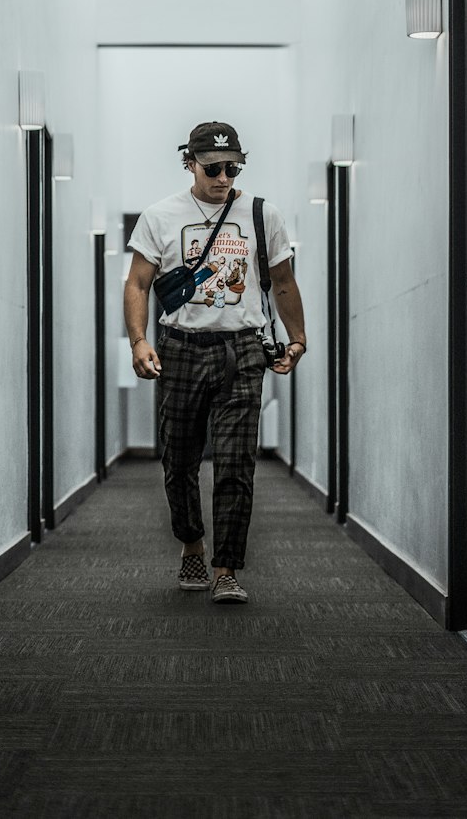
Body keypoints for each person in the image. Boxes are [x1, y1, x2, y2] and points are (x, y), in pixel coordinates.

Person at [124, 121, 307, 604]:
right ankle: (192, 545)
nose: (224, 177)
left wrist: (298, 338)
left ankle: (226, 567)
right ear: (190, 164)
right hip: (180, 347)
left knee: (235, 462)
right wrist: (139, 340)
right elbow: (138, 284)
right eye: (213, 169)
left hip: (242, 350)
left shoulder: (262, 214)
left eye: (233, 167)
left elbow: (283, 282)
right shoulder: (160, 216)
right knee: (179, 459)